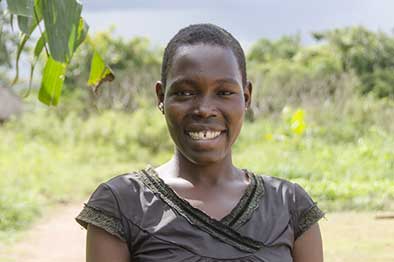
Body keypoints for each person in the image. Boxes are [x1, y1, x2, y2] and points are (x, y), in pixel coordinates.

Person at [76, 23, 324, 262]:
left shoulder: (289, 206)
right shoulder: (122, 204)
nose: (205, 109)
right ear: (161, 97)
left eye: (224, 92)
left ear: (246, 97)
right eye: (185, 92)